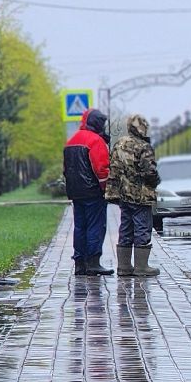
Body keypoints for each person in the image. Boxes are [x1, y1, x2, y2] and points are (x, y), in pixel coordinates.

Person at [108, 114, 162, 278]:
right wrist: (156, 181)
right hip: (140, 195)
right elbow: (149, 172)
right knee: (142, 227)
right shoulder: (143, 147)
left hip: (123, 194)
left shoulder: (119, 144)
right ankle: (141, 267)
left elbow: (113, 168)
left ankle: (124, 267)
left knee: (126, 227)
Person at [63, 107, 113, 276]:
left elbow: (66, 169)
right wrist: (106, 189)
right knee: (95, 226)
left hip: (76, 192)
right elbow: (102, 169)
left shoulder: (71, 141)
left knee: (80, 227)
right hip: (93, 192)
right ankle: (93, 262)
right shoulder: (95, 141)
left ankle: (79, 263)